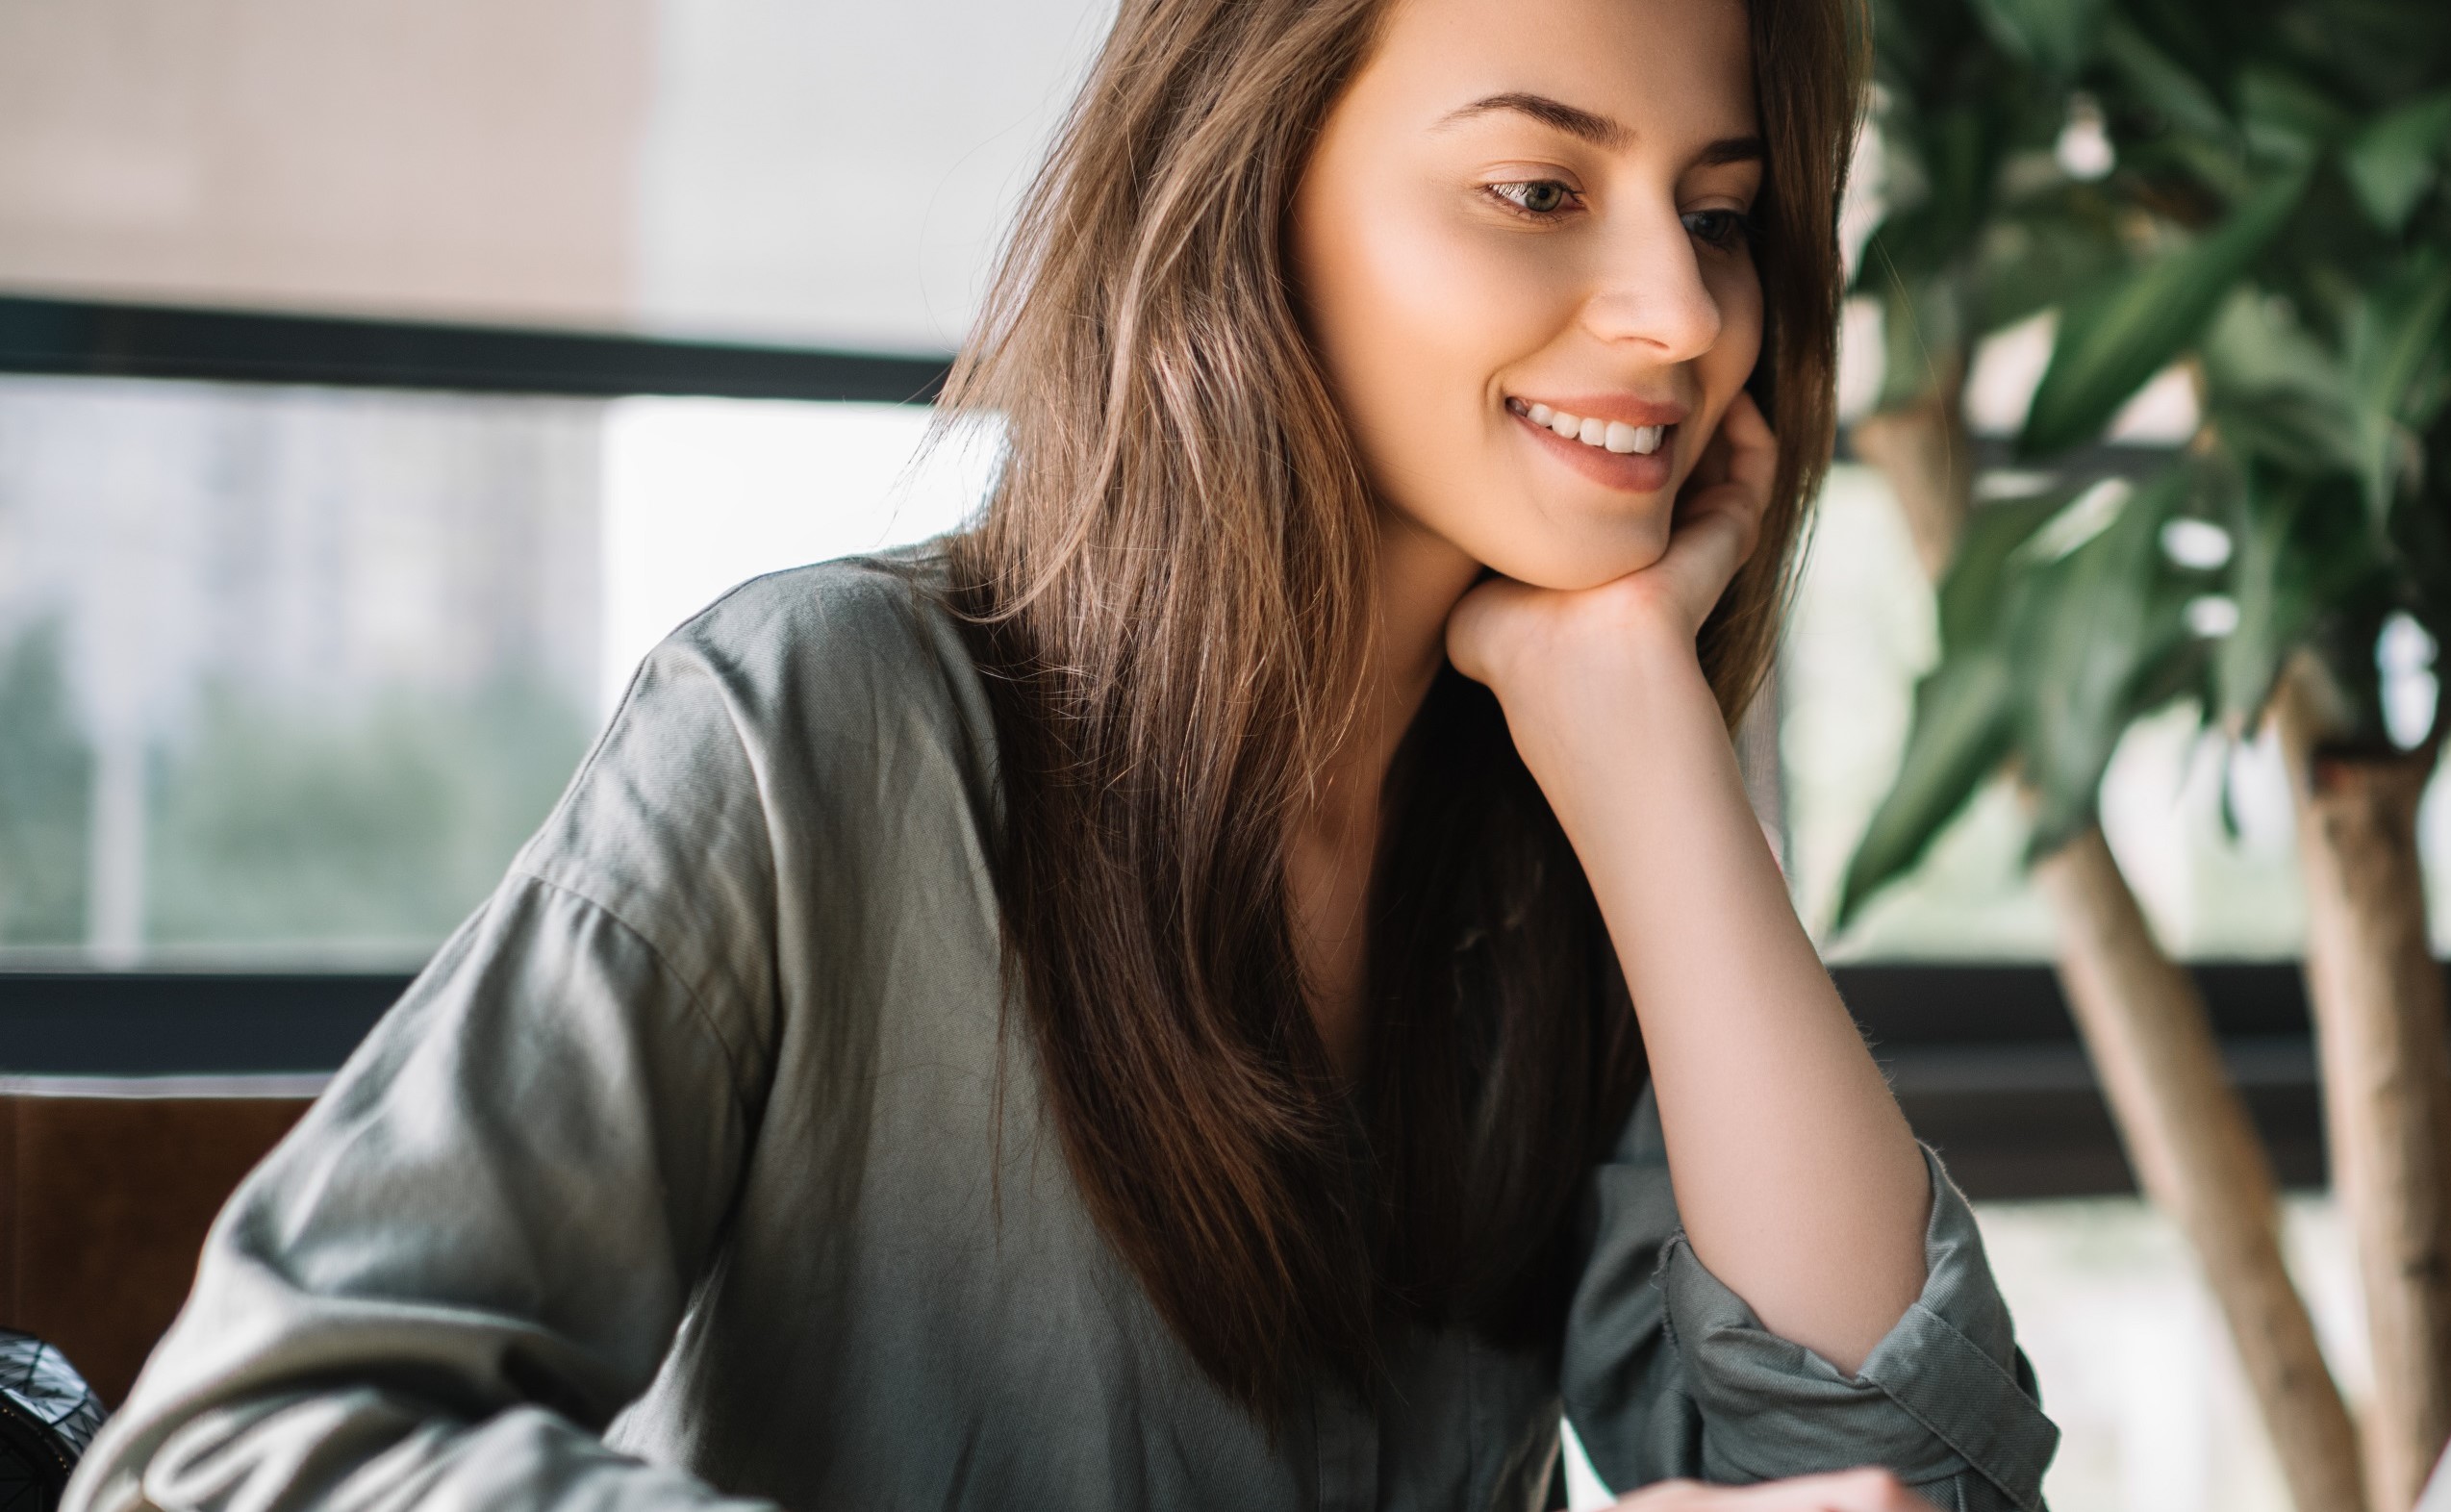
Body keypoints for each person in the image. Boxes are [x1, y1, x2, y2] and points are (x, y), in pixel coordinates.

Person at [63, 0, 2058, 1506]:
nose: (1680, 309)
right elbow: (233, 1456)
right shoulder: (812, 726)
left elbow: (1915, 1472)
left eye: (1719, 215)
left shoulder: (1558, 831)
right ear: (1247, 196)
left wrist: (1644, 750)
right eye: (1538, 190)